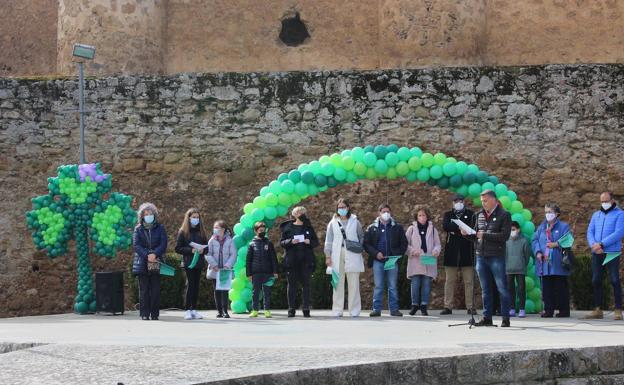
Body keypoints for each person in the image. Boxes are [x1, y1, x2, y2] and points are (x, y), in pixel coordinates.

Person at [461, 190, 512, 327]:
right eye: (482, 201)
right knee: (485, 289)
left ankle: (505, 318)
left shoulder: (504, 215)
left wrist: (485, 235)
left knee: (501, 287)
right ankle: (487, 317)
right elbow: (475, 236)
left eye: (485, 201)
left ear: (494, 200)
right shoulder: (478, 215)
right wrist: (466, 234)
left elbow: (504, 236)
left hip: (496, 256)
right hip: (481, 256)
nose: (483, 203)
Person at [364, 203, 408, 317]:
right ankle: (376, 309)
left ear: (391, 212)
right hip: (378, 261)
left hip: (392, 261)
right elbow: (366, 244)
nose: (386, 213)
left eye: (388, 211)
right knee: (378, 286)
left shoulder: (397, 227)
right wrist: (376, 253)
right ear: (379, 213)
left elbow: (404, 244)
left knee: (392, 286)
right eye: (383, 211)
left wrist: (395, 255)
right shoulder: (372, 227)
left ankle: (394, 309)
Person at [585, 192, 624, 320]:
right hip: (597, 252)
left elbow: (619, 233)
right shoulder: (596, 215)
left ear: (612, 200)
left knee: (614, 280)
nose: (604, 204)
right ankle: (598, 309)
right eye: (602, 201)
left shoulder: (619, 214)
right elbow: (590, 231)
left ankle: (618, 309)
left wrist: (602, 244)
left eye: (606, 201)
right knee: (596, 280)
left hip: (612, 252)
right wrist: (593, 245)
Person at [324, 198, 365, 317]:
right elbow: (328, 241)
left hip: (352, 254)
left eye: (344, 207)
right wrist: (327, 256)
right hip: (337, 254)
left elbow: (361, 236)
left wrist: (359, 247)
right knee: (337, 283)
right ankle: (337, 310)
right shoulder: (332, 223)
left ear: (348, 208)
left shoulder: (355, 221)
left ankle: (354, 311)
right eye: (339, 207)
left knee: (354, 283)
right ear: (337, 209)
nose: (342, 209)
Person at [532, 204, 571, 318]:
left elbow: (569, 240)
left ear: (557, 214)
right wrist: (538, 251)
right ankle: (548, 310)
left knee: (560, 288)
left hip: (558, 262)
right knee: (546, 288)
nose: (547, 214)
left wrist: (556, 244)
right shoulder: (541, 227)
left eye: (550, 212)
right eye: (546, 212)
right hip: (545, 263)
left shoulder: (564, 226)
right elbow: (535, 240)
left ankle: (564, 311)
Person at [280, 206, 319, 318]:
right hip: (292, 261)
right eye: (299, 212)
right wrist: (291, 241)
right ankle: (291, 309)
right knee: (291, 285)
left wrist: (309, 241)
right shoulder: (287, 227)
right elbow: (282, 242)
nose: (301, 214)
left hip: (306, 261)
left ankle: (306, 309)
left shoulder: (308, 227)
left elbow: (315, 242)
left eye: (303, 212)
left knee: (306, 285)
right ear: (294, 214)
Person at [441, 194, 477, 315]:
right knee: (449, 280)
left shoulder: (471, 214)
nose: (458, 203)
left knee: (469, 281)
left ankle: (470, 306)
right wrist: (460, 228)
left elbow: (473, 229)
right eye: (456, 201)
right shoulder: (448, 215)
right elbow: (446, 226)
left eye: (460, 201)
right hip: (452, 252)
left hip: (467, 251)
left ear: (464, 202)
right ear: (452, 203)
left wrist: (457, 229)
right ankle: (447, 306)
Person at [132, 202, 168, 321]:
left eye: (150, 213)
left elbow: (163, 244)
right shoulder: (138, 229)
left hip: (156, 262)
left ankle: (155, 314)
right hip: (142, 262)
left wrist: (155, 254)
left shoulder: (160, 228)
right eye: (146, 214)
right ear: (142, 216)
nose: (148, 215)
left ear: (154, 215)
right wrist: (147, 255)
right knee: (144, 290)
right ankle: (144, 313)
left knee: (155, 289)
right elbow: (136, 245)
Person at [406, 206, 441, 316]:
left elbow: (437, 244)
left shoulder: (433, 229)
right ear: (416, 217)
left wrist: (436, 250)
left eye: (423, 215)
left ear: (427, 216)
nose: (422, 217)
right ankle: (414, 305)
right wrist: (412, 251)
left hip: (428, 259)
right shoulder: (411, 229)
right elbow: (405, 245)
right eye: (419, 215)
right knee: (415, 283)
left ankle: (424, 306)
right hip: (416, 260)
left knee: (426, 283)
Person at [175, 208, 208, 320]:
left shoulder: (202, 231)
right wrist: (191, 250)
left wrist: (203, 250)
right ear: (188, 218)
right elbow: (178, 248)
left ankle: (194, 309)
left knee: (196, 286)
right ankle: (188, 309)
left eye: (197, 217)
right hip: (189, 263)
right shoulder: (183, 232)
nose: (196, 219)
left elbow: (207, 247)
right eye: (193, 217)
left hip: (199, 263)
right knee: (190, 285)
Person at [246, 222, 279, 318]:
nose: (262, 232)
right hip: (256, 273)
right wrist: (249, 274)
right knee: (255, 292)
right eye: (260, 230)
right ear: (255, 231)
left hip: (268, 273)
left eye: (264, 230)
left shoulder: (269, 243)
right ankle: (255, 310)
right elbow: (248, 260)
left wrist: (275, 271)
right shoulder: (252, 244)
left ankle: (267, 310)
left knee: (267, 292)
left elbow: (273, 258)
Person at [205, 220, 237, 319]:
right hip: (215, 270)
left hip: (225, 270)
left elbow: (233, 254)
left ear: (223, 229)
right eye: (214, 228)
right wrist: (214, 265)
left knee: (224, 290)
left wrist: (227, 266)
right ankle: (219, 311)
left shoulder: (230, 240)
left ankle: (225, 311)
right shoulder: (211, 240)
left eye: (217, 227)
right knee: (217, 290)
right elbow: (207, 253)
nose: (215, 229)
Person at [506, 221, 531, 318]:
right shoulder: (506, 241)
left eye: (513, 229)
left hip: (520, 269)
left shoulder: (523, 241)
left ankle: (522, 309)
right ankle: (511, 308)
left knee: (521, 289)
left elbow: (527, 255)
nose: (512, 231)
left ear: (518, 230)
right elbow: (504, 254)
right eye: (510, 230)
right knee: (510, 289)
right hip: (508, 269)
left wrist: (523, 265)